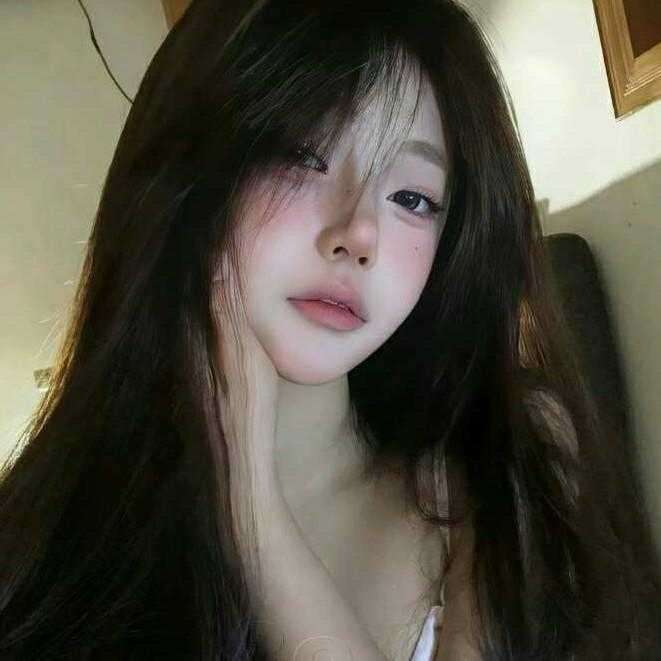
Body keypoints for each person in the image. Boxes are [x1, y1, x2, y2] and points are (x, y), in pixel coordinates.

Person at [0, 0, 659, 659]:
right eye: (300, 158)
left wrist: (251, 509)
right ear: (189, 174)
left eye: (411, 198)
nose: (359, 233)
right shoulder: (44, 541)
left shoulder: (501, 452)